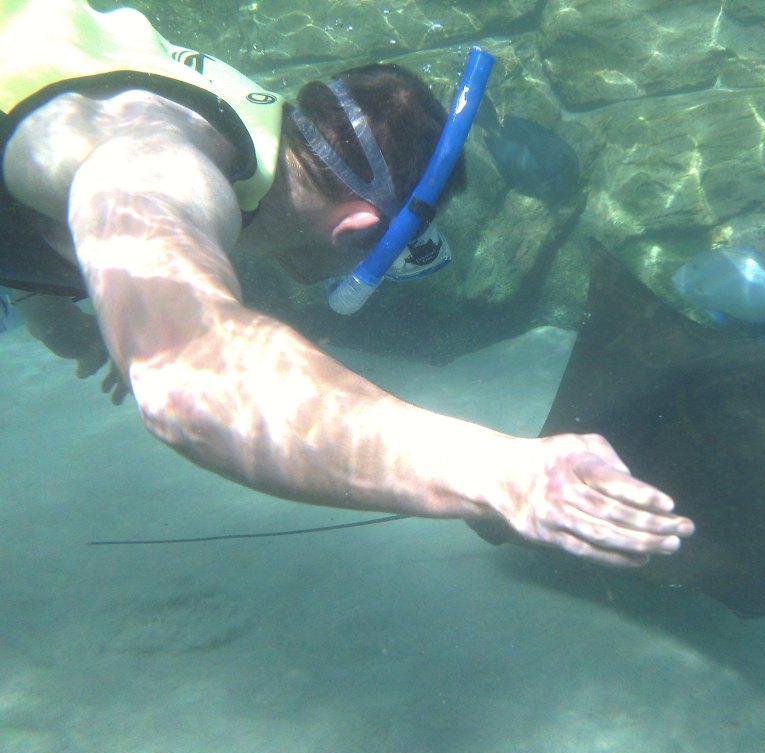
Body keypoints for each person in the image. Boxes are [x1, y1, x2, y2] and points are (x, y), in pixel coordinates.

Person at [0, 0, 693, 566]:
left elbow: (55, 174)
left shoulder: (233, 115)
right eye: (397, 248)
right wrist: (499, 472)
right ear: (357, 229)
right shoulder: (156, 161)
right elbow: (185, 380)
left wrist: (117, 305)